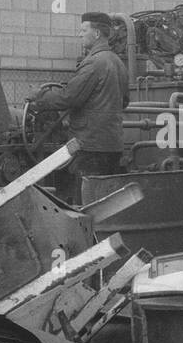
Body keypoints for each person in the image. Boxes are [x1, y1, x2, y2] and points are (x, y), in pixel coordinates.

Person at [30, 12, 129, 203]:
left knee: (84, 203)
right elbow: (124, 102)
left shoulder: (94, 63)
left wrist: (39, 96)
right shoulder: (118, 63)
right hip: (113, 144)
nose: (79, 34)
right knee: (105, 202)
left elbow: (69, 98)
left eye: (84, 30)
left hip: (89, 145)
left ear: (97, 33)